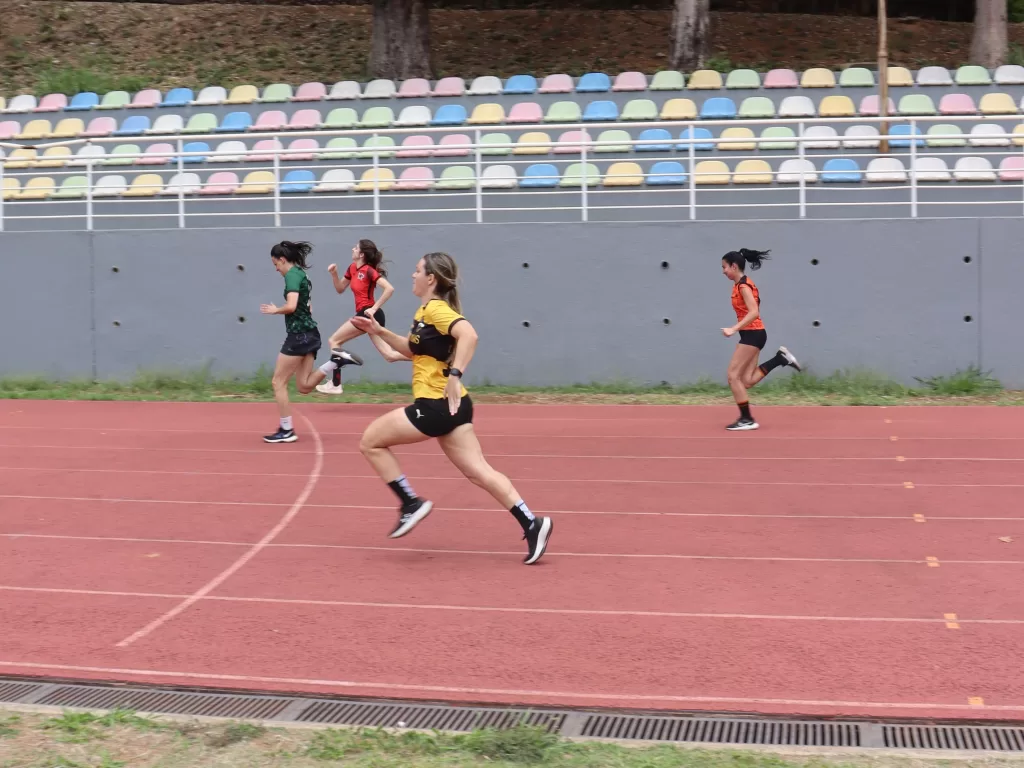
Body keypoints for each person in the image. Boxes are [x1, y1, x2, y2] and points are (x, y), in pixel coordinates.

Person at [351, 252, 553, 565]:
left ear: (431, 279)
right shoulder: (425, 311)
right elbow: (411, 349)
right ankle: (532, 523)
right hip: (455, 407)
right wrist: (378, 331)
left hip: (435, 405)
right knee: (479, 472)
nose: (412, 275)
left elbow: (469, 334)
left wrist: (456, 375)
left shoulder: (437, 309)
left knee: (370, 441)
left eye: (417, 270)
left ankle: (410, 503)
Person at [259, 241, 360, 443]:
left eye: (275, 264)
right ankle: (335, 362)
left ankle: (286, 429)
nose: (276, 269)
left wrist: (275, 310)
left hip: (299, 335)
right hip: (310, 333)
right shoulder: (302, 274)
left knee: (278, 382)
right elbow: (309, 307)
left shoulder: (291, 276)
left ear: (282, 259)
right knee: (304, 386)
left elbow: (291, 306)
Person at [720, 248, 801, 432]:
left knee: (732, 376)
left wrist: (733, 328)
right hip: (753, 334)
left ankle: (747, 419)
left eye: (724, 267)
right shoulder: (741, 284)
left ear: (734, 266)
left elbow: (754, 312)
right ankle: (780, 359)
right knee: (747, 381)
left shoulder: (743, 286)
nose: (723, 271)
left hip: (753, 335)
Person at [316, 239, 407, 395]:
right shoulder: (352, 268)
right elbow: (340, 288)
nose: (353, 249)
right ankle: (424, 356)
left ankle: (335, 384)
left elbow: (389, 289)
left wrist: (373, 308)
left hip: (369, 314)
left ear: (362, 254)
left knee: (334, 340)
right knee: (389, 355)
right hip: (366, 314)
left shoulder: (369, 271)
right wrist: (334, 274)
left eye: (356, 248)